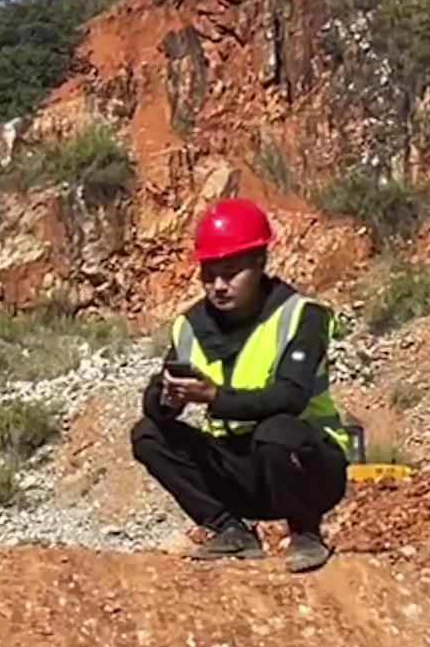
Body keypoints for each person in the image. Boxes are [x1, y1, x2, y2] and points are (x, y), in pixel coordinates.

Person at [132, 198, 361, 575]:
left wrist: (215, 398)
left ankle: (306, 531)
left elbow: (291, 396)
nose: (219, 286)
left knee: (277, 431)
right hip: (239, 466)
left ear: (259, 263)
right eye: (210, 274)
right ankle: (229, 529)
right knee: (148, 435)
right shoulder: (190, 326)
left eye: (231, 272)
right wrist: (167, 399)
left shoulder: (302, 317)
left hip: (305, 466)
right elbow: (155, 405)